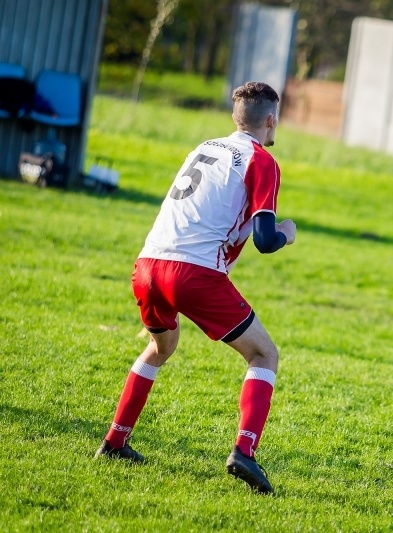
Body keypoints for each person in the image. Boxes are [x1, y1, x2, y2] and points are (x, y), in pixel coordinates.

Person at [94, 82, 296, 494]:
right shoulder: (262, 161)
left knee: (160, 347)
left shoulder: (203, 147)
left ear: (234, 116)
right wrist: (287, 233)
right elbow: (264, 239)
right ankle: (244, 451)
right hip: (193, 274)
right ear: (271, 120)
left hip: (148, 264)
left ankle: (115, 442)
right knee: (264, 354)